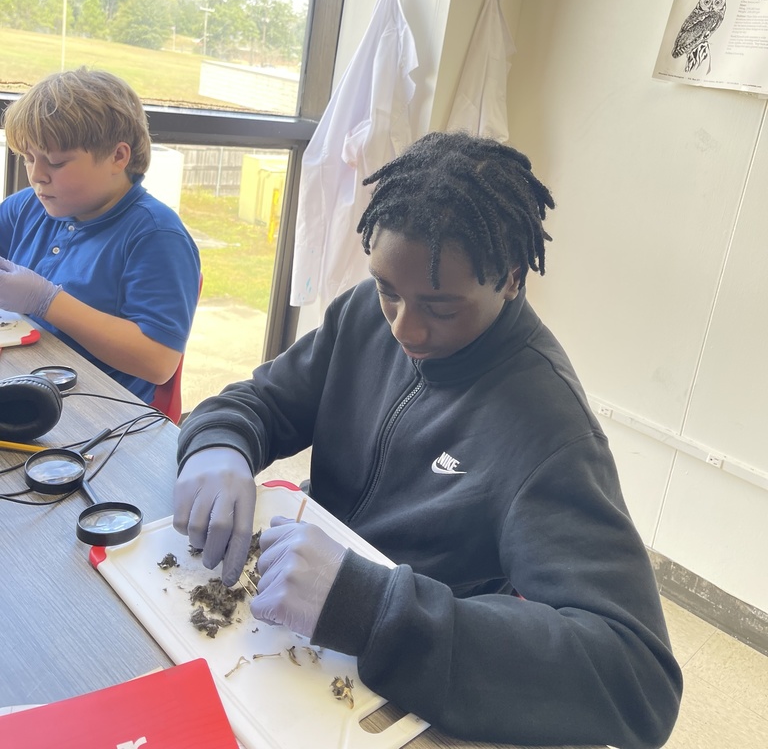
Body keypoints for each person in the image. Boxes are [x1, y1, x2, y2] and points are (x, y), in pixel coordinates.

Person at [173, 131, 682, 749]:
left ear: (511, 279)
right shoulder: (364, 313)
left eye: (441, 309)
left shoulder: (550, 431)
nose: (404, 328)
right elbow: (264, 401)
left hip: (404, 691)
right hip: (288, 625)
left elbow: (638, 681)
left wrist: (371, 607)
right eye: (388, 290)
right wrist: (219, 442)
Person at [0, 68, 201, 404]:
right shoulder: (28, 206)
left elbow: (158, 362)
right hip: (26, 377)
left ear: (117, 157)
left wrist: (46, 300)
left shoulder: (156, 235)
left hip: (97, 407)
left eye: (56, 163)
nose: (36, 176)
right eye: (28, 158)